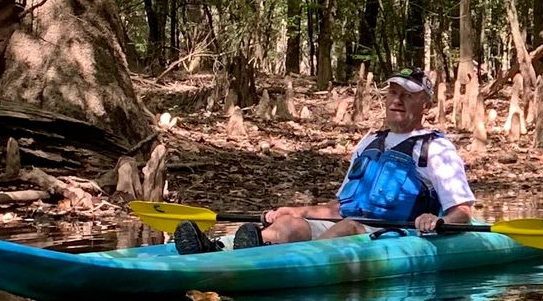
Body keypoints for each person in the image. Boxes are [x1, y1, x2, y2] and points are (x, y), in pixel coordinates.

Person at [174, 72, 477, 253]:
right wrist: (298, 210)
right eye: (393, 94)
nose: (397, 101)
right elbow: (340, 206)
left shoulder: (436, 149)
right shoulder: (370, 142)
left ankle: (282, 262)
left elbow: (461, 211)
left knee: (350, 227)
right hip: (349, 227)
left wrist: (437, 223)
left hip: (398, 237)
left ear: (424, 103)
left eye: (407, 96)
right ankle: (221, 248)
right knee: (290, 224)